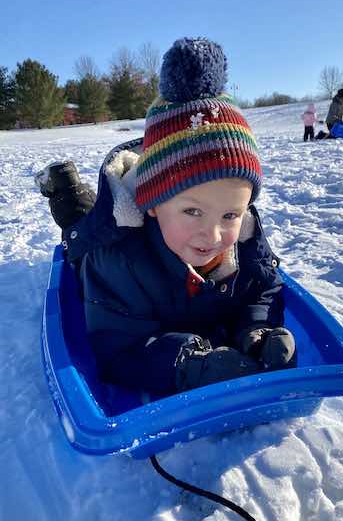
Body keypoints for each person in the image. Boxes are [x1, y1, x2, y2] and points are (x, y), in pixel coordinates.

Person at [36, 37, 297, 399]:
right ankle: (61, 184)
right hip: (97, 253)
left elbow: (263, 290)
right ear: (153, 204)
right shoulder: (119, 257)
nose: (214, 233)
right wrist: (187, 365)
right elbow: (116, 347)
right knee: (81, 223)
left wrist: (256, 331)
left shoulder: (246, 236)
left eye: (230, 213)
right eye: (192, 211)